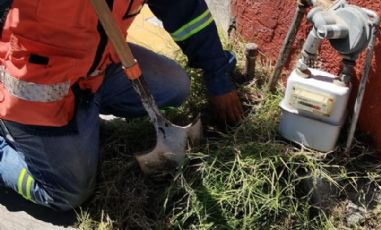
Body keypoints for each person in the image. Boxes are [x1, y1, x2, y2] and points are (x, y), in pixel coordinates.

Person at [0, 0, 243, 211]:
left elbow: (187, 14)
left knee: (175, 85)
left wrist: (218, 77)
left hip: (97, 70)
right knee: (68, 193)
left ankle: (86, 119)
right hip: (40, 90)